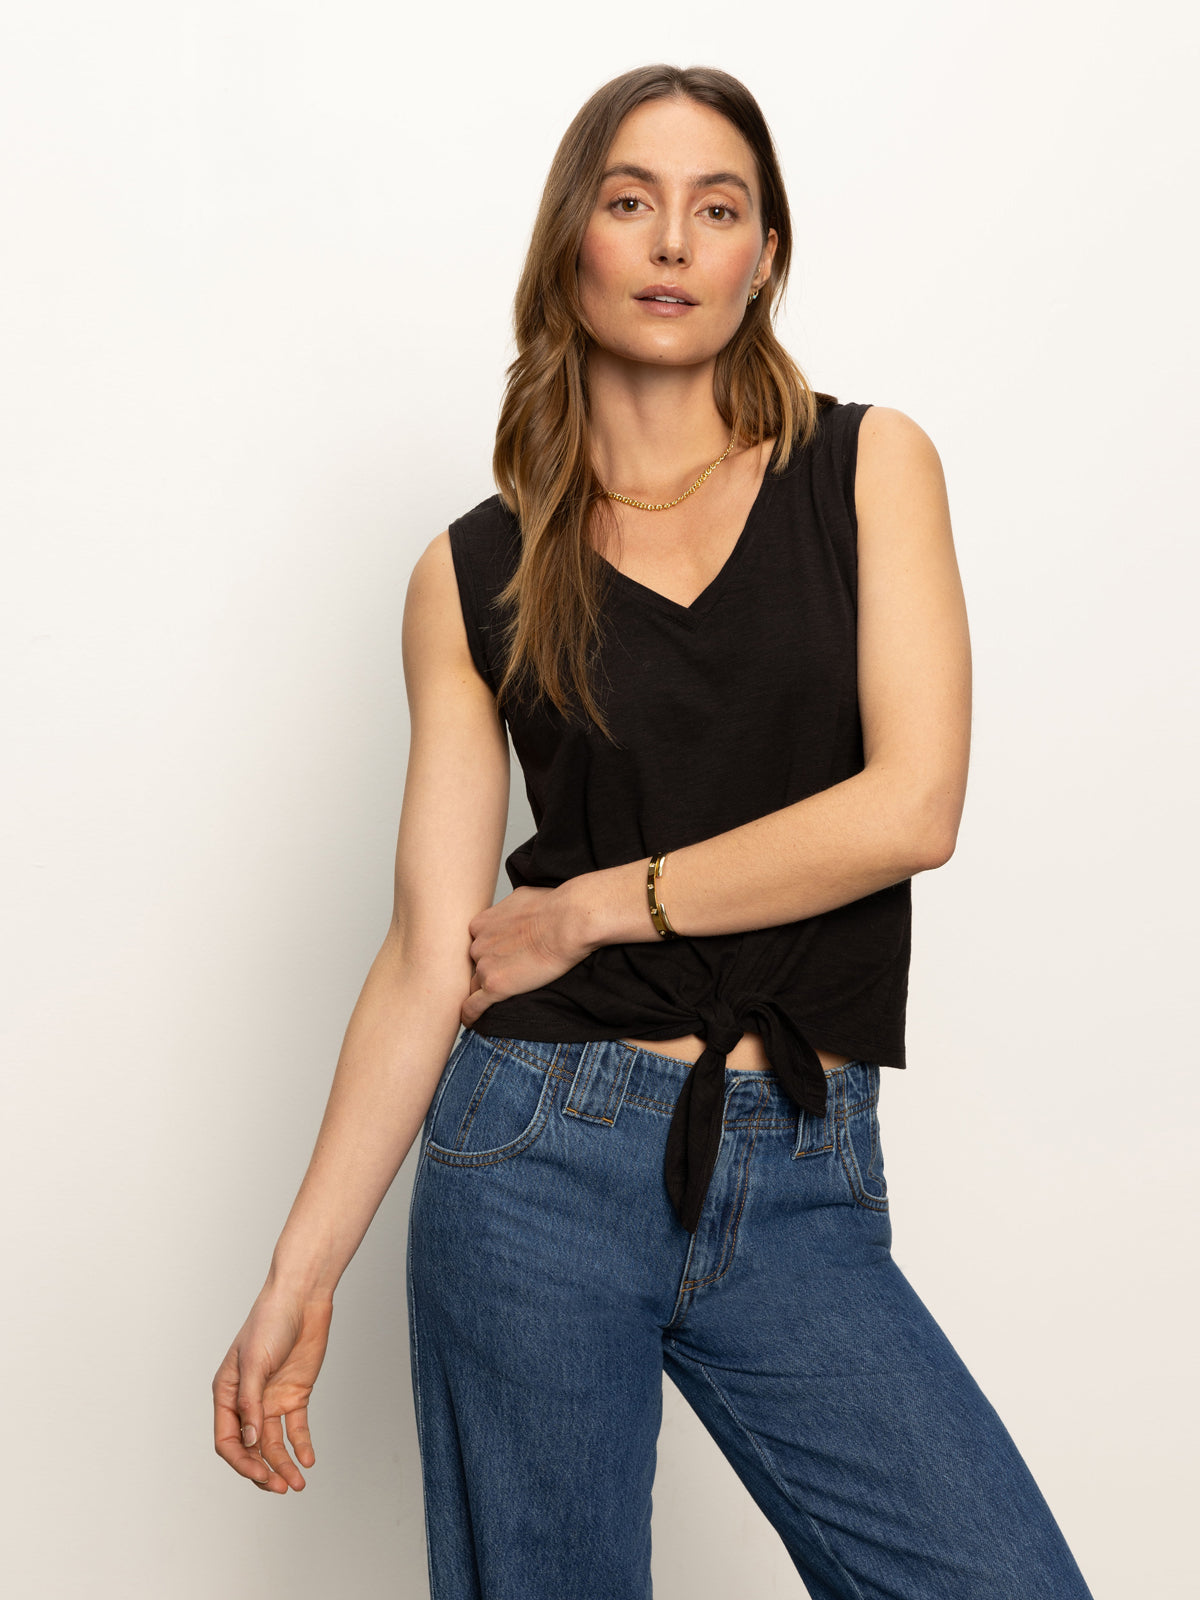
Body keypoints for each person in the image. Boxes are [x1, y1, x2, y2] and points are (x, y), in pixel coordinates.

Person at [213, 63, 1096, 1600]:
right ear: (574, 241)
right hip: (534, 1159)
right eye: (633, 202)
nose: (675, 240)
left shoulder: (867, 468)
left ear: (765, 256)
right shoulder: (471, 574)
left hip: (800, 1165)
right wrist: (302, 1271)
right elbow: (429, 951)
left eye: (718, 207)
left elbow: (914, 807)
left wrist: (595, 904)